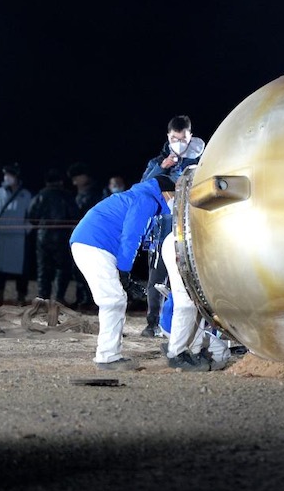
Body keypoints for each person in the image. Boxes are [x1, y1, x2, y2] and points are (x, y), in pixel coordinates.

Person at [69, 175, 176, 370]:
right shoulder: (146, 200)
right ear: (166, 192)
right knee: (113, 300)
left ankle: (109, 355)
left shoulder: (141, 197)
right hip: (95, 245)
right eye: (173, 195)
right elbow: (131, 236)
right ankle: (108, 358)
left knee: (115, 298)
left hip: (92, 243)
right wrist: (124, 272)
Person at [139, 115, 205, 337]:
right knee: (157, 277)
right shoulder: (157, 162)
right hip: (163, 226)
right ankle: (152, 323)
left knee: (191, 274)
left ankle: (195, 322)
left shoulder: (202, 159)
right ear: (168, 137)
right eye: (175, 138)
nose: (179, 142)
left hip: (190, 225)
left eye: (183, 138)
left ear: (190, 137)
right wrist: (162, 167)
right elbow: (143, 187)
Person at [159, 231, 230, 370]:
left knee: (194, 303)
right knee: (188, 303)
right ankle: (175, 353)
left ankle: (193, 352)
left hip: (185, 241)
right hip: (186, 242)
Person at [27, 168, 79, 302]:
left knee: (43, 268)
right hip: (62, 235)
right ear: (61, 182)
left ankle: (43, 298)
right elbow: (75, 215)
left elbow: (31, 216)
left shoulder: (40, 196)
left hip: (43, 236)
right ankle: (59, 297)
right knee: (62, 268)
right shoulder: (67, 196)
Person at [0, 163, 33, 306]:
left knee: (20, 269)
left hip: (18, 238)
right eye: (6, 174)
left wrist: (26, 229)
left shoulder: (26, 194)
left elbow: (31, 215)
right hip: (1, 237)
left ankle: (21, 296)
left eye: (10, 174)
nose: (7, 177)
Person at [67, 162, 102, 307]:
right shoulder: (78, 195)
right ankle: (82, 298)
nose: (75, 181)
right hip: (79, 235)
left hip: (91, 236)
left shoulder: (94, 194)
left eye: (78, 177)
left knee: (90, 270)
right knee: (78, 270)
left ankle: (90, 299)